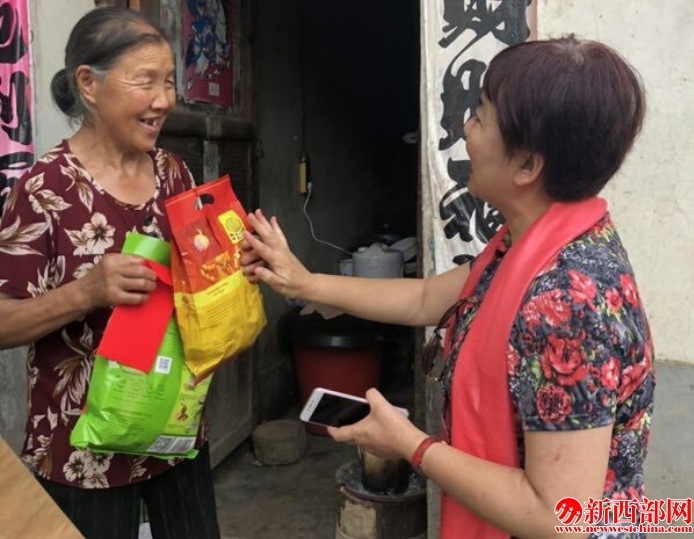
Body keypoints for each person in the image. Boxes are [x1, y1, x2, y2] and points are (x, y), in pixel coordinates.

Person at [241, 36, 654, 539]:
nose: (466, 129)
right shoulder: (531, 244)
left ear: (528, 165)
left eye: (479, 117)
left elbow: (558, 517)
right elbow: (424, 299)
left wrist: (412, 446)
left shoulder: (566, 299)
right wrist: (304, 281)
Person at [0, 7, 221, 539]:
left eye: (168, 82)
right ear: (88, 84)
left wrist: (228, 273)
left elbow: (196, 277)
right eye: (146, 81)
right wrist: (86, 292)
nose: (164, 100)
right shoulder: (43, 190)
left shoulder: (174, 172)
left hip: (173, 423)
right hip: (83, 447)